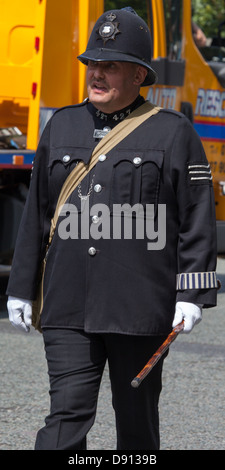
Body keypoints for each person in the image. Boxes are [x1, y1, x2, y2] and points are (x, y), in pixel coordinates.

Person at [7, 7, 217, 450]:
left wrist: (191, 292)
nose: (96, 74)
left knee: (137, 427)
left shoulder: (173, 133)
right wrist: (21, 287)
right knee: (64, 420)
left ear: (139, 75)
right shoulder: (62, 124)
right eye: (93, 65)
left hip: (139, 307)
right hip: (67, 304)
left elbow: (196, 216)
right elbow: (37, 215)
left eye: (110, 66)